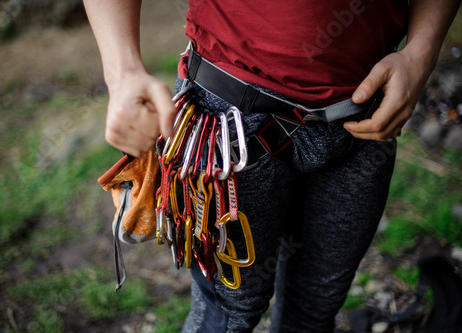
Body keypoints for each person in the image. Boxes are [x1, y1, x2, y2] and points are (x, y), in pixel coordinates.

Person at [83, 1, 461, 332]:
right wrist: (123, 73)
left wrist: (422, 51)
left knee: (316, 307)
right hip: (225, 121)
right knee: (227, 314)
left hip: (365, 121)